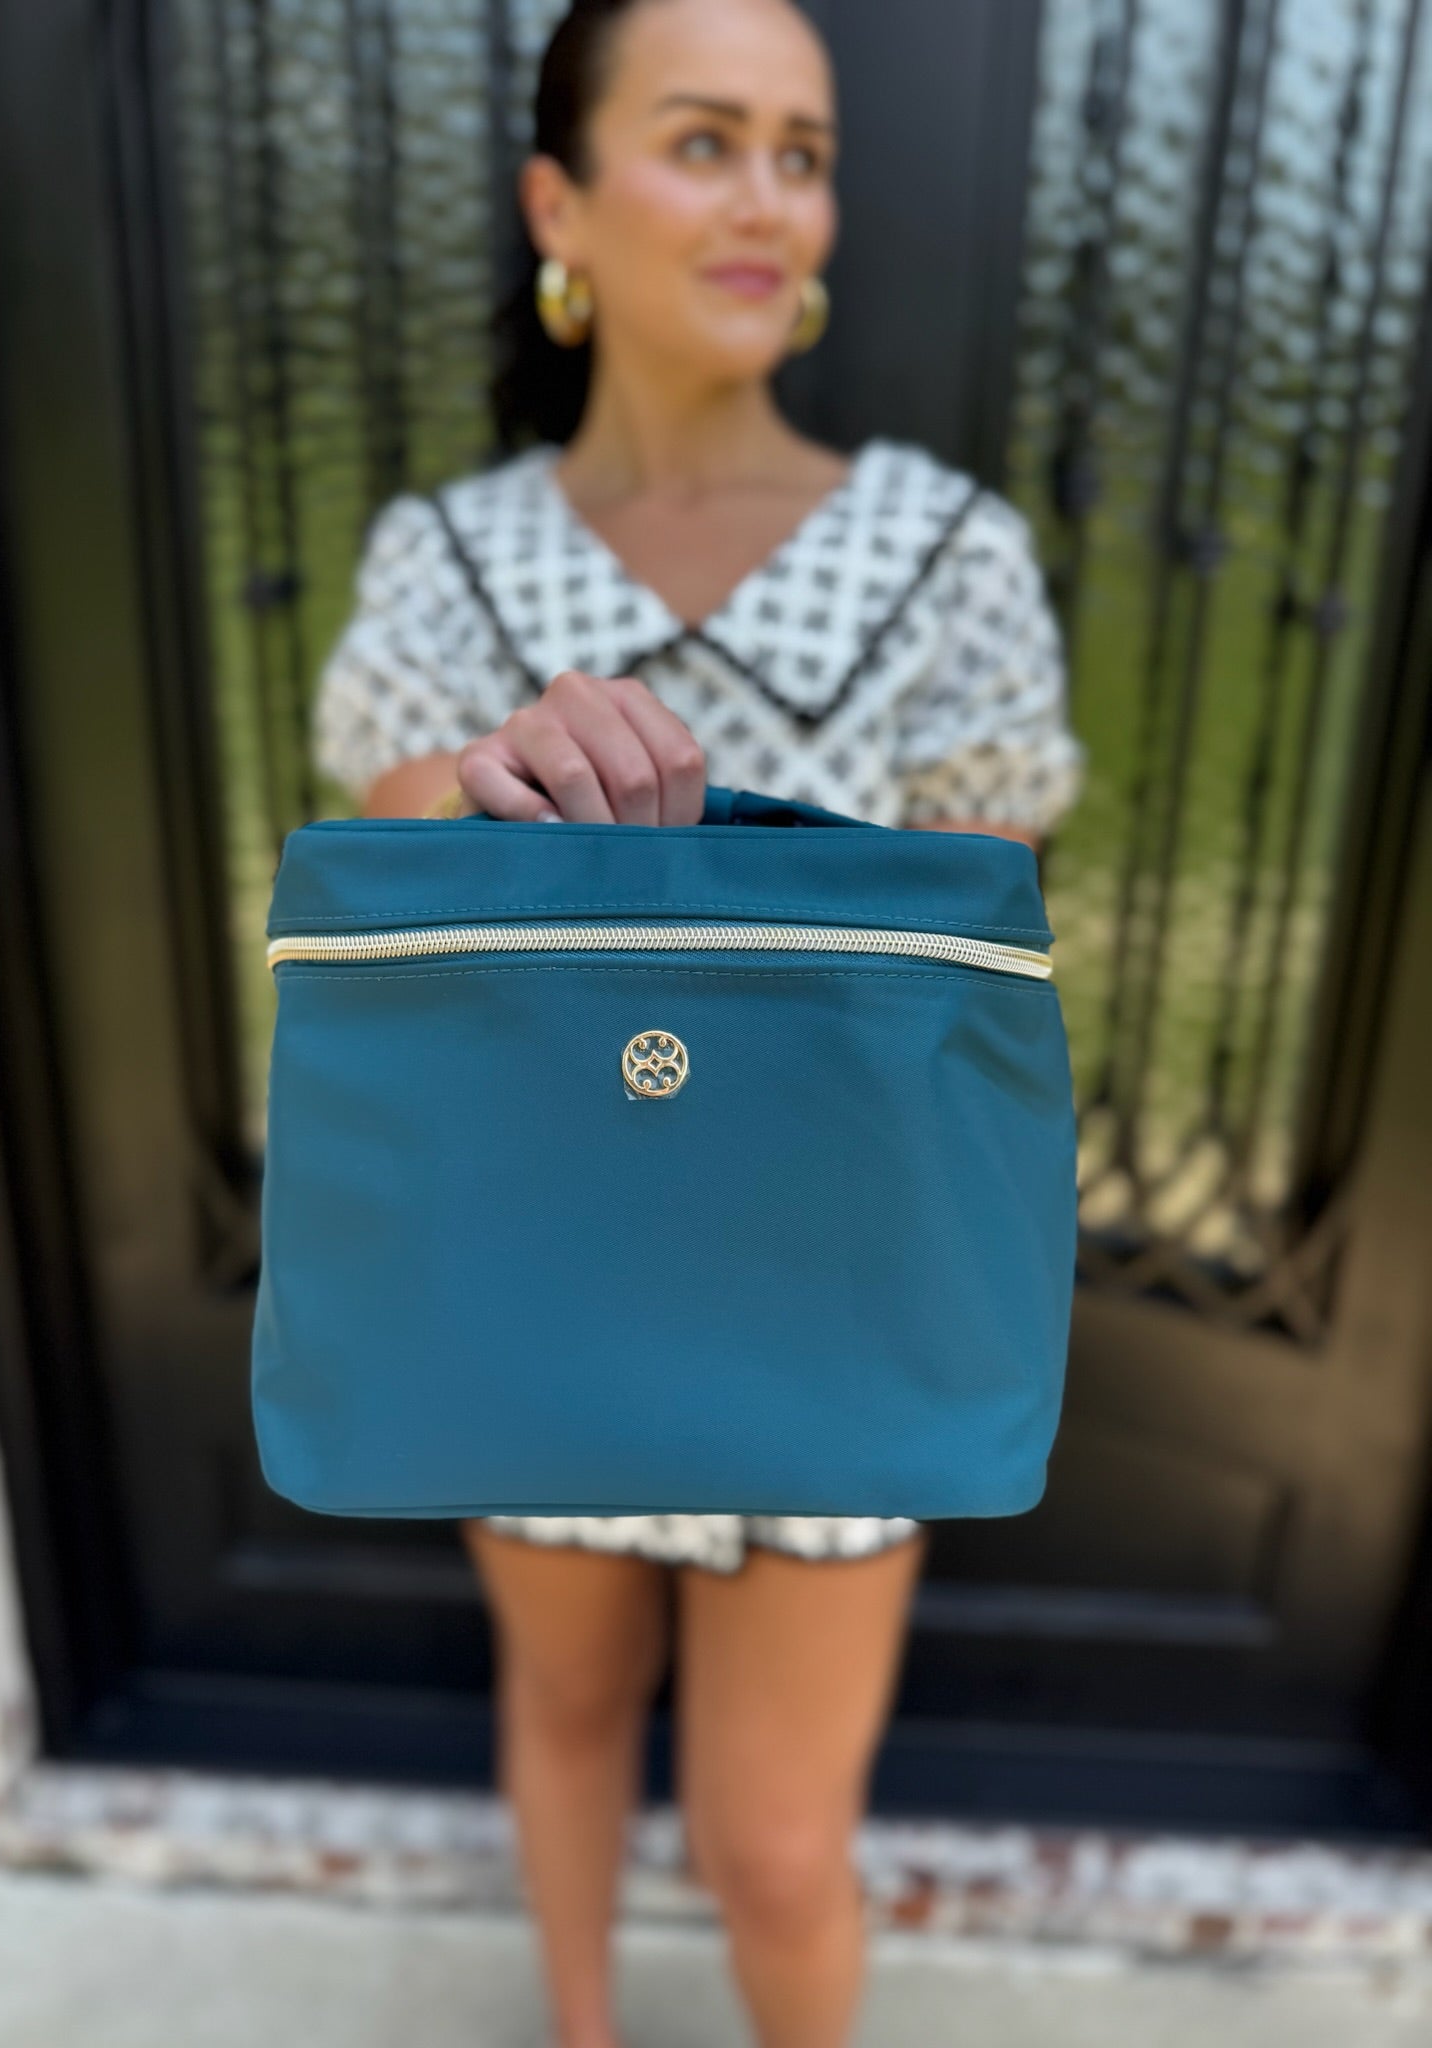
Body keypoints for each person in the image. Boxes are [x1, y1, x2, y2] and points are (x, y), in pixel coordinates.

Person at [309, 2, 1085, 2041]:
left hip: (838, 1286)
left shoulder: (946, 553)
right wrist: (479, 787)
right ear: (559, 204)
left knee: (776, 1846)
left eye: (802, 153)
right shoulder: (445, 562)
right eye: (706, 139)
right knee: (565, 1702)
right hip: (538, 1263)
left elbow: (976, 948)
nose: (767, 199)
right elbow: (382, 862)